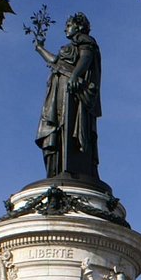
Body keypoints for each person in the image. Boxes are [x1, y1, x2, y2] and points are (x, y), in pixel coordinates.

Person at [34, 12, 102, 179]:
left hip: (71, 92)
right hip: (59, 91)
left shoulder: (85, 41)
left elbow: (85, 59)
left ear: (79, 27)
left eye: (69, 24)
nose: (66, 28)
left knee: (68, 125)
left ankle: (70, 165)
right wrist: (40, 49)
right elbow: (56, 62)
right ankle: (58, 168)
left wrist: (74, 76)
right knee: (57, 127)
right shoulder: (72, 46)